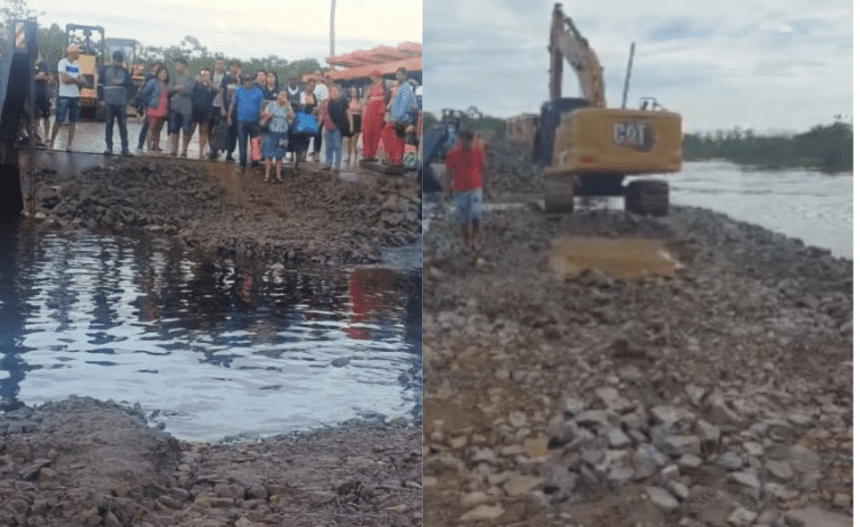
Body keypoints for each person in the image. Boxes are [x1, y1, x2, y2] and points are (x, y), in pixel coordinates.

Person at [444, 129, 492, 261]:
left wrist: (488, 188)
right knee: (464, 221)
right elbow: (448, 173)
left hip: (475, 189)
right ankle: (466, 243)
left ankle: (474, 241)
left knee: (476, 216)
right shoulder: (453, 154)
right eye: (467, 141)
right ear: (461, 140)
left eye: (471, 141)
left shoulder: (477, 151)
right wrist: (446, 190)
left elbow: (484, 169)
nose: (469, 144)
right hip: (459, 192)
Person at [49, 44, 87, 151]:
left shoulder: (77, 65)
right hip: (64, 96)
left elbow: (83, 80)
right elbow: (64, 79)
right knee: (59, 120)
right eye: (78, 52)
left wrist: (72, 79)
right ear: (72, 53)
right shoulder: (63, 63)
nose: (79, 54)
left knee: (73, 121)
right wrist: (77, 80)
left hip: (75, 96)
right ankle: (51, 144)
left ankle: (69, 145)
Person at [380, 67, 418, 166]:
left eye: (400, 74)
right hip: (398, 118)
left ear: (405, 76)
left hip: (401, 118)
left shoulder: (405, 88)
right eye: (397, 74)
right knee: (393, 137)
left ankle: (396, 160)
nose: (398, 76)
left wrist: (397, 118)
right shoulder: (401, 87)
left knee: (397, 139)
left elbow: (403, 105)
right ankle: (393, 159)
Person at [227, 74, 264, 173]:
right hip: (241, 121)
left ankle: (255, 165)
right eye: (245, 80)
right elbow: (232, 104)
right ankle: (242, 165)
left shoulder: (258, 92)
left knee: (255, 144)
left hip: (255, 122)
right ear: (243, 81)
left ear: (252, 81)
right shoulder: (238, 90)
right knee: (242, 144)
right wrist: (229, 116)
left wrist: (262, 119)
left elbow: (261, 107)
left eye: (249, 80)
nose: (247, 82)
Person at [101, 50, 134, 156]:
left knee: (123, 126)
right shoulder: (105, 69)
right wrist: (101, 99)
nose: (119, 63)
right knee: (109, 125)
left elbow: (130, 83)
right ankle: (109, 148)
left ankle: (125, 148)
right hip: (109, 101)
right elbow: (100, 84)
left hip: (121, 102)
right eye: (117, 61)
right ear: (113, 60)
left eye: (121, 61)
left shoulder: (125, 71)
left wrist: (120, 81)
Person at [260, 89, 294, 183]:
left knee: (280, 155)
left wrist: (288, 106)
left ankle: (278, 175)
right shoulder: (271, 104)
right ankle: (267, 175)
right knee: (268, 155)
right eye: (282, 94)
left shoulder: (287, 107)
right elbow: (264, 114)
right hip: (271, 131)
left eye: (285, 95)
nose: (283, 97)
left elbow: (291, 118)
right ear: (277, 95)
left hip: (283, 133)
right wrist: (268, 115)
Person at [167, 57, 194, 157]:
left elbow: (188, 90)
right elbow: (169, 88)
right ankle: (174, 149)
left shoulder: (191, 77)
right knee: (174, 129)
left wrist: (176, 89)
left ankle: (184, 150)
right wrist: (178, 87)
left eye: (177, 65)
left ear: (183, 65)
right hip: (175, 107)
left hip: (186, 108)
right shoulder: (174, 77)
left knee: (186, 130)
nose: (176, 67)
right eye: (175, 65)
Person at [190, 67, 219, 159]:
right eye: (203, 74)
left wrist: (210, 83)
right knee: (190, 130)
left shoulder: (211, 86)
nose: (205, 76)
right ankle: (184, 149)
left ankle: (201, 152)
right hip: (194, 111)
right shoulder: (196, 84)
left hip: (206, 112)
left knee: (203, 132)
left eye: (207, 75)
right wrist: (196, 80)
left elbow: (219, 91)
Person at [288, 82, 316, 172]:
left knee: (301, 144)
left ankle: (298, 162)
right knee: (300, 144)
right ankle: (298, 162)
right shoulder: (301, 98)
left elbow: (314, 108)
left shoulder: (312, 97)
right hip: (301, 123)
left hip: (303, 124)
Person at [318, 85, 348, 172]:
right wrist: (319, 126)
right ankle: (328, 164)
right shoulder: (325, 102)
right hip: (326, 128)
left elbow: (343, 115)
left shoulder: (341, 102)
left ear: (338, 93)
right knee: (328, 147)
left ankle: (337, 165)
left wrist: (339, 126)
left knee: (337, 147)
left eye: (335, 91)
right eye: (332, 91)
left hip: (336, 128)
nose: (333, 93)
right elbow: (322, 114)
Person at [136, 62, 163, 152]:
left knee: (157, 127)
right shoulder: (150, 79)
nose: (156, 70)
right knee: (147, 125)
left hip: (159, 106)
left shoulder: (161, 80)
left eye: (158, 69)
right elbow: (144, 93)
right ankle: (140, 145)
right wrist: (146, 104)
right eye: (155, 68)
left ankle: (154, 145)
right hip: (150, 106)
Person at [142, 65, 169, 152]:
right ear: (158, 73)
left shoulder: (166, 84)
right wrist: (148, 104)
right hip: (154, 108)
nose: (163, 74)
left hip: (162, 109)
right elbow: (145, 93)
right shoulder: (153, 82)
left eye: (165, 73)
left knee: (158, 129)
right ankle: (149, 148)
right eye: (161, 72)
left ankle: (156, 146)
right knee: (151, 128)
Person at [360, 70, 386, 162]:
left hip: (378, 114)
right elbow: (365, 101)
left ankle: (372, 154)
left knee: (376, 134)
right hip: (369, 113)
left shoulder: (384, 87)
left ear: (376, 77)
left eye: (372, 77)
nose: (371, 79)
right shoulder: (370, 87)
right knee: (367, 133)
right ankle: (366, 153)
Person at [221, 60, 242, 162]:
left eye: (236, 67)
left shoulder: (241, 79)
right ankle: (216, 150)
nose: (234, 68)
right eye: (233, 66)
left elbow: (243, 92)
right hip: (226, 106)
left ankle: (229, 153)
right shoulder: (225, 78)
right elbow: (221, 93)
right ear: (229, 68)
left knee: (234, 132)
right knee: (222, 130)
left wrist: (238, 80)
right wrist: (221, 107)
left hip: (237, 110)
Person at [208, 59, 226, 158]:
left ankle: (215, 149)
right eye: (218, 63)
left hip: (220, 105)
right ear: (214, 64)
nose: (220, 65)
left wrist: (211, 84)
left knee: (218, 128)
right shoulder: (210, 75)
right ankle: (211, 148)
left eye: (222, 64)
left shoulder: (226, 77)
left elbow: (222, 90)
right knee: (209, 127)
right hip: (209, 104)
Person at [33, 52, 51, 145]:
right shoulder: (30, 63)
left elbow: (44, 76)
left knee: (46, 116)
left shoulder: (44, 64)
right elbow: (41, 76)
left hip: (43, 94)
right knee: (35, 117)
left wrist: (33, 77)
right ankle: (36, 136)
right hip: (32, 95)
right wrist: (40, 77)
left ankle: (46, 136)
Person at [343, 86, 362, 168]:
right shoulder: (348, 101)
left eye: (355, 91)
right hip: (350, 119)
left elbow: (362, 112)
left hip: (358, 119)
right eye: (352, 91)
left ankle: (356, 156)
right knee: (349, 139)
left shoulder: (360, 101)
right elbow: (348, 112)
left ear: (357, 92)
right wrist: (350, 124)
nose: (353, 93)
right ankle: (348, 155)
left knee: (356, 139)